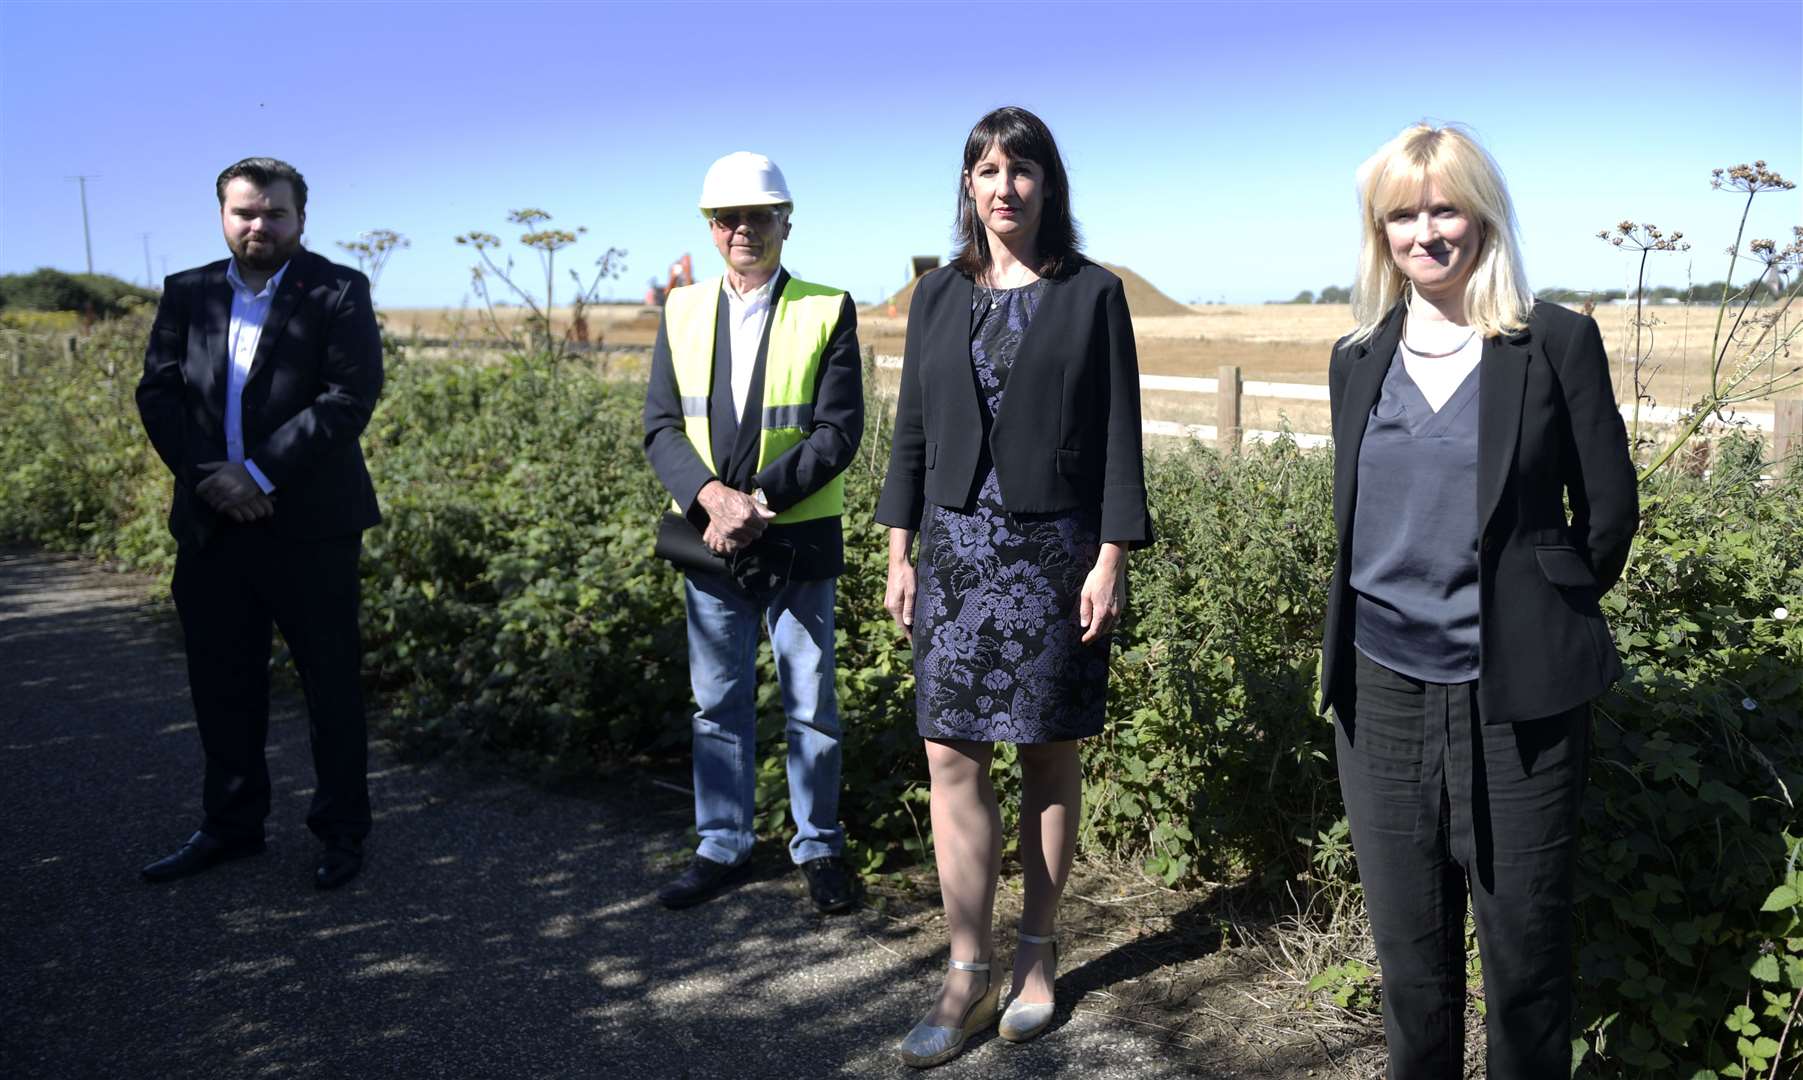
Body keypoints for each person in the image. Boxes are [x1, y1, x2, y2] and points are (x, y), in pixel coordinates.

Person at [1319, 123, 1638, 1078]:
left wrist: (1540, 605)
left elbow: (1609, 511)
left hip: (1518, 704)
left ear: (1481, 214)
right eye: (1403, 214)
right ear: (1381, 233)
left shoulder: (1554, 343)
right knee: (1411, 969)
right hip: (1380, 695)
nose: (1426, 230)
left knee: (1526, 963)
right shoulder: (1357, 355)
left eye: (1444, 206)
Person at [878, 106, 1151, 1068]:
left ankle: (1035, 955)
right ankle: (964, 967)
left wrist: (1111, 557)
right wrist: (897, 551)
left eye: (1020, 170)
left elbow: (1122, 436)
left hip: (1052, 556)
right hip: (950, 551)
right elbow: (910, 430)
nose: (1003, 186)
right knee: (949, 755)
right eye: (986, 170)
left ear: (1047, 185)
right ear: (967, 186)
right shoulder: (935, 296)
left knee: (1044, 754)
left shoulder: (1093, 295)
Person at [136, 157, 384, 891]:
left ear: (300, 219)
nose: (259, 226)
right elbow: (159, 394)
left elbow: (349, 396)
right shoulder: (188, 293)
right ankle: (231, 827)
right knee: (220, 683)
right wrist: (213, 480)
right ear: (222, 215)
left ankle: (342, 832)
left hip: (310, 526)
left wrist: (259, 472)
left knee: (330, 687)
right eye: (245, 212)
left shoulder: (337, 289)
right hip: (214, 525)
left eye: (274, 213)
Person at [642, 151, 863, 914]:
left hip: (792, 536)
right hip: (708, 541)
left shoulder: (827, 306)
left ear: (785, 222)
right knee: (717, 701)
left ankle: (819, 845)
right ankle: (722, 844)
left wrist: (755, 502)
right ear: (711, 229)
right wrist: (709, 497)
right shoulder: (679, 310)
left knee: (810, 702)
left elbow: (839, 431)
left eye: (758, 216)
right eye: (728, 218)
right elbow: (661, 428)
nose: (744, 229)